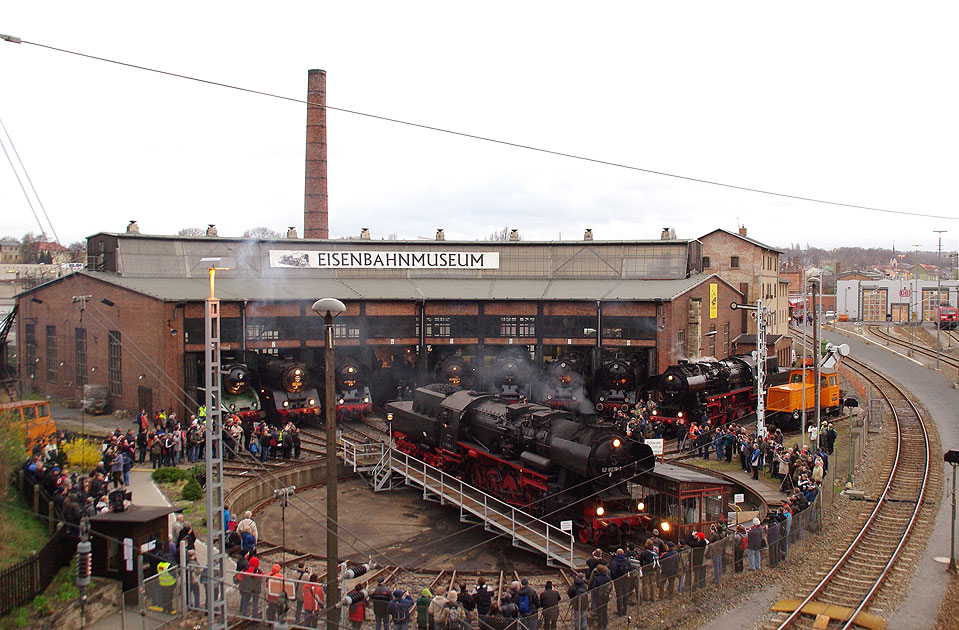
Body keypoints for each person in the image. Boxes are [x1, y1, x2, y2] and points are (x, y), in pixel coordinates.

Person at [588, 565, 612, 630]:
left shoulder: (597, 579)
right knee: (605, 609)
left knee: (599, 611)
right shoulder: (607, 578)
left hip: (599, 597)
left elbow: (594, 587)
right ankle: (605, 623)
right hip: (605, 596)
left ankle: (600, 624)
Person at [609, 548, 630, 616]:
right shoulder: (627, 560)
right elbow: (630, 568)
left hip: (618, 579)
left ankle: (620, 611)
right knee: (625, 593)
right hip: (625, 578)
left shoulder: (615, 561)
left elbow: (613, 571)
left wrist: (614, 578)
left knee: (619, 595)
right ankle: (625, 610)